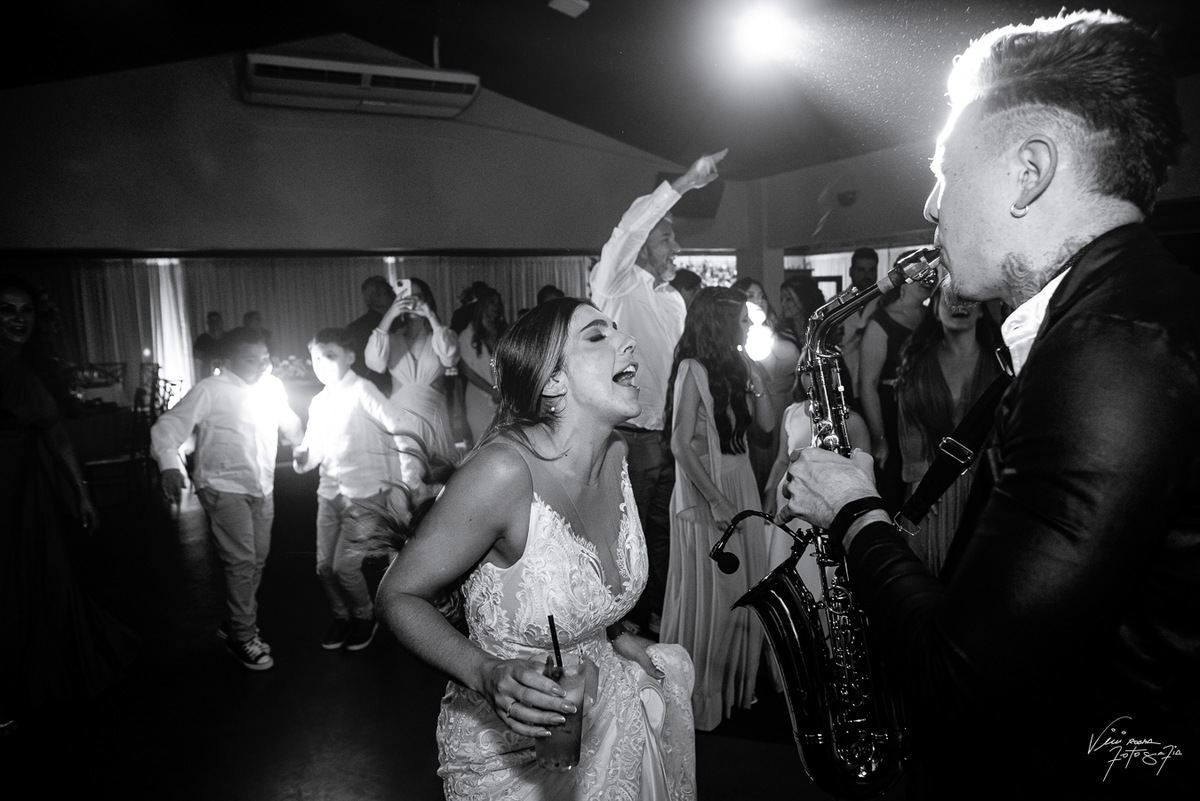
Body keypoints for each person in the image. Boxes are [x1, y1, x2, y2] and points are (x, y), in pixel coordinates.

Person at [781, 11, 1198, 798]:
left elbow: (961, 679)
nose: (931, 204)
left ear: (1029, 170)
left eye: (946, 171)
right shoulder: (1111, 317)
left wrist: (854, 509)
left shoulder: (1112, 350)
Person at [377, 298, 696, 799]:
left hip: (607, 719)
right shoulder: (502, 473)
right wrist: (485, 673)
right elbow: (397, 595)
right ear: (553, 382)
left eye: (617, 329)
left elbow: (579, 577)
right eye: (597, 336)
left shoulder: (618, 454)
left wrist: (612, 634)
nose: (628, 340)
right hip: (509, 752)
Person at [589, 149, 726, 635]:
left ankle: (663, 619)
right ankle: (621, 626)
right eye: (667, 238)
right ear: (645, 246)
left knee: (667, 533)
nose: (676, 248)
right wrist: (685, 182)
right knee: (627, 537)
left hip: (673, 438)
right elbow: (628, 230)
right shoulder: (615, 285)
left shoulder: (673, 302)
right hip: (629, 439)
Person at [1, 274, 135, 733]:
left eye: (26, 311)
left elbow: (56, 433)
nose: (18, 319)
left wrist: (81, 491)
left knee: (39, 581)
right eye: (7, 310)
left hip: (28, 492)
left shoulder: (30, 368)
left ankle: (32, 678)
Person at [151, 326, 303, 671]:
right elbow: (167, 427)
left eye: (265, 358)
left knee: (256, 559)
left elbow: (288, 420)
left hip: (261, 485)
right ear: (230, 361)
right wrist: (169, 465)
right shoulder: (211, 390)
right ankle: (241, 635)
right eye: (251, 360)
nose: (262, 365)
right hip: (222, 486)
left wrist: (300, 441)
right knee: (242, 562)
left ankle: (236, 621)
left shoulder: (271, 386)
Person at [661, 287, 773, 731]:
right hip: (707, 488)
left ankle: (735, 690)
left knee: (745, 586)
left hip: (741, 479)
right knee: (715, 593)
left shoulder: (738, 365)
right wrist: (716, 499)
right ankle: (702, 698)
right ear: (721, 324)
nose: (749, 326)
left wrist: (758, 380)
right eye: (743, 319)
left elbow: (767, 426)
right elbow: (680, 443)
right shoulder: (693, 368)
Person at [293, 328, 438, 652]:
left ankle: (364, 615)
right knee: (323, 566)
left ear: (349, 356)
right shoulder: (319, 401)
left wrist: (409, 478)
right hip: (329, 494)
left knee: (345, 567)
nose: (321, 364)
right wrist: (303, 457)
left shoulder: (362, 390)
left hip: (365, 495)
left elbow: (400, 424)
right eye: (315, 358)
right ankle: (342, 616)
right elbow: (314, 449)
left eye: (329, 356)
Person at [894, 291, 1003, 574]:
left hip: (985, 489)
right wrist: (921, 484)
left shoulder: (999, 366)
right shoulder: (918, 363)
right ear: (934, 310)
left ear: (982, 311)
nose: (959, 307)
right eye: (949, 300)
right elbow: (910, 426)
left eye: (967, 300)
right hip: (931, 487)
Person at [857, 251, 935, 512]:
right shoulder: (881, 322)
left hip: (927, 412)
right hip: (893, 414)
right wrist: (879, 438)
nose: (930, 279)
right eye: (923, 273)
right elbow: (868, 385)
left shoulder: (933, 317)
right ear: (904, 277)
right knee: (893, 492)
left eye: (933, 273)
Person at [365, 277, 460, 462]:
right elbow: (375, 363)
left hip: (434, 419)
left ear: (427, 299)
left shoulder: (441, 336)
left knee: (439, 471)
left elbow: (449, 357)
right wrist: (390, 315)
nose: (412, 300)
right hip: (400, 420)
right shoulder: (391, 339)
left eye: (418, 296)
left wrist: (430, 316)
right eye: (406, 296)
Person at [731, 277, 801, 492]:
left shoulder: (784, 332)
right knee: (759, 468)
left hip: (789, 405)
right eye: (750, 296)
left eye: (761, 296)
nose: (758, 301)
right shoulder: (736, 340)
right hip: (756, 408)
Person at [457, 286, 507, 446]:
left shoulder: (505, 332)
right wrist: (492, 391)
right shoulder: (467, 336)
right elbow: (467, 370)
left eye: (498, 302)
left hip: (504, 399)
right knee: (483, 442)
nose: (496, 306)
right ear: (483, 305)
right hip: (478, 396)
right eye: (492, 302)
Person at [836, 247, 880, 398]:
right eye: (861, 270)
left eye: (871, 270)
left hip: (877, 382)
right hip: (844, 380)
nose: (867, 276)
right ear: (851, 271)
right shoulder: (835, 304)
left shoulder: (886, 302)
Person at [346, 276, 394, 396]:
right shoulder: (357, 328)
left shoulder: (402, 322)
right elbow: (356, 365)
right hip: (373, 389)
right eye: (386, 292)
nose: (393, 295)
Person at [192, 311, 224, 380]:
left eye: (217, 321)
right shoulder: (202, 340)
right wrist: (198, 378)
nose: (214, 324)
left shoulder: (228, 338)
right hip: (207, 376)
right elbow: (197, 361)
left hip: (226, 375)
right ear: (208, 324)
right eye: (211, 321)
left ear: (221, 322)